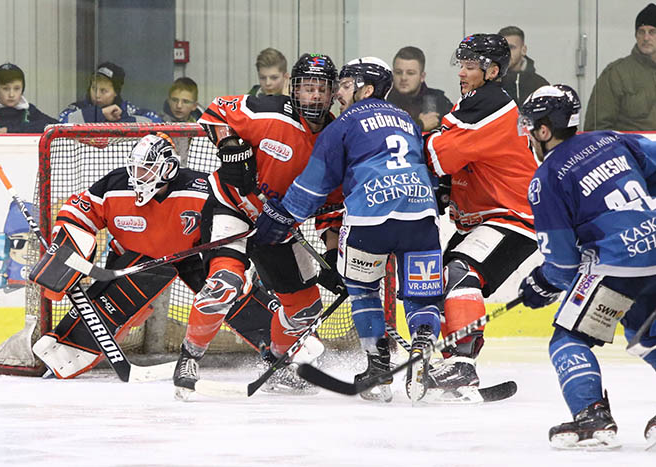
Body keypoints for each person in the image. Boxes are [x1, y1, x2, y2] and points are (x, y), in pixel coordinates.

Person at [253, 57, 443, 403]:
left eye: (345, 84)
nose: (337, 93)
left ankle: (378, 367)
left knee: (364, 290)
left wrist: (281, 218)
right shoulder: (406, 121)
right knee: (423, 295)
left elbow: (313, 187)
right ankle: (422, 343)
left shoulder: (340, 126)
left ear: (365, 89)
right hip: (421, 216)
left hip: (371, 219)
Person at [27, 133, 284, 381]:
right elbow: (77, 213)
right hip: (136, 255)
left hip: (194, 253)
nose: (137, 176)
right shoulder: (115, 186)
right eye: (136, 168)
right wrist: (68, 250)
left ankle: (286, 350)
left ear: (168, 169)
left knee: (226, 291)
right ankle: (65, 349)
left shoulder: (202, 187)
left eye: (146, 169)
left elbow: (241, 210)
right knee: (109, 302)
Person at [173, 53, 342, 397]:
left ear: (332, 93)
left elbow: (331, 204)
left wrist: (333, 250)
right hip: (232, 208)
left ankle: (278, 363)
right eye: (307, 88)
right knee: (224, 284)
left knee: (306, 307)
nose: (314, 96)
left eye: (321, 89)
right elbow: (216, 111)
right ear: (294, 89)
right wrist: (231, 146)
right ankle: (189, 356)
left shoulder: (334, 139)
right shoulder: (266, 110)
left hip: (278, 227)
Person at [517, 84, 656, 450]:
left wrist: (542, 283)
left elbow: (563, 264)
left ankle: (591, 416)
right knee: (648, 336)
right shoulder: (612, 139)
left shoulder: (547, 178)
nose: (529, 136)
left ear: (544, 130)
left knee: (569, 337)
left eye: (531, 127)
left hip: (615, 268)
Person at [422, 34, 538, 397]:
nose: (462, 72)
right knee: (441, 284)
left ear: (492, 71)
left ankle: (461, 366)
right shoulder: (474, 102)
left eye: (471, 66)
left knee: (459, 274)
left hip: (513, 216)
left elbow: (439, 156)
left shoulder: (490, 105)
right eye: (462, 64)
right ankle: (454, 366)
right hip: (486, 216)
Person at [584, 3, 656, 131]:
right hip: (631, 150)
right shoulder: (616, 74)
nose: (646, 38)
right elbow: (596, 128)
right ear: (635, 36)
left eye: (652, 32)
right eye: (641, 32)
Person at [59, 62, 163, 124]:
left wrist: (120, 119)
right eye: (94, 88)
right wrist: (101, 114)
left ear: (116, 92)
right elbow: (62, 122)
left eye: (103, 91)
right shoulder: (77, 109)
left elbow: (156, 123)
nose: (97, 95)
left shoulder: (127, 110)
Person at [386, 46, 453, 131]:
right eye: (398, 72)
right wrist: (420, 125)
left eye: (410, 73)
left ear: (422, 77)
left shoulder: (438, 101)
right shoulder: (383, 101)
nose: (403, 78)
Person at [498, 26, 549, 106]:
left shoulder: (539, 85)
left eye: (511, 47)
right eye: (502, 48)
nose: (507, 52)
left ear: (523, 50)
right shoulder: (490, 83)